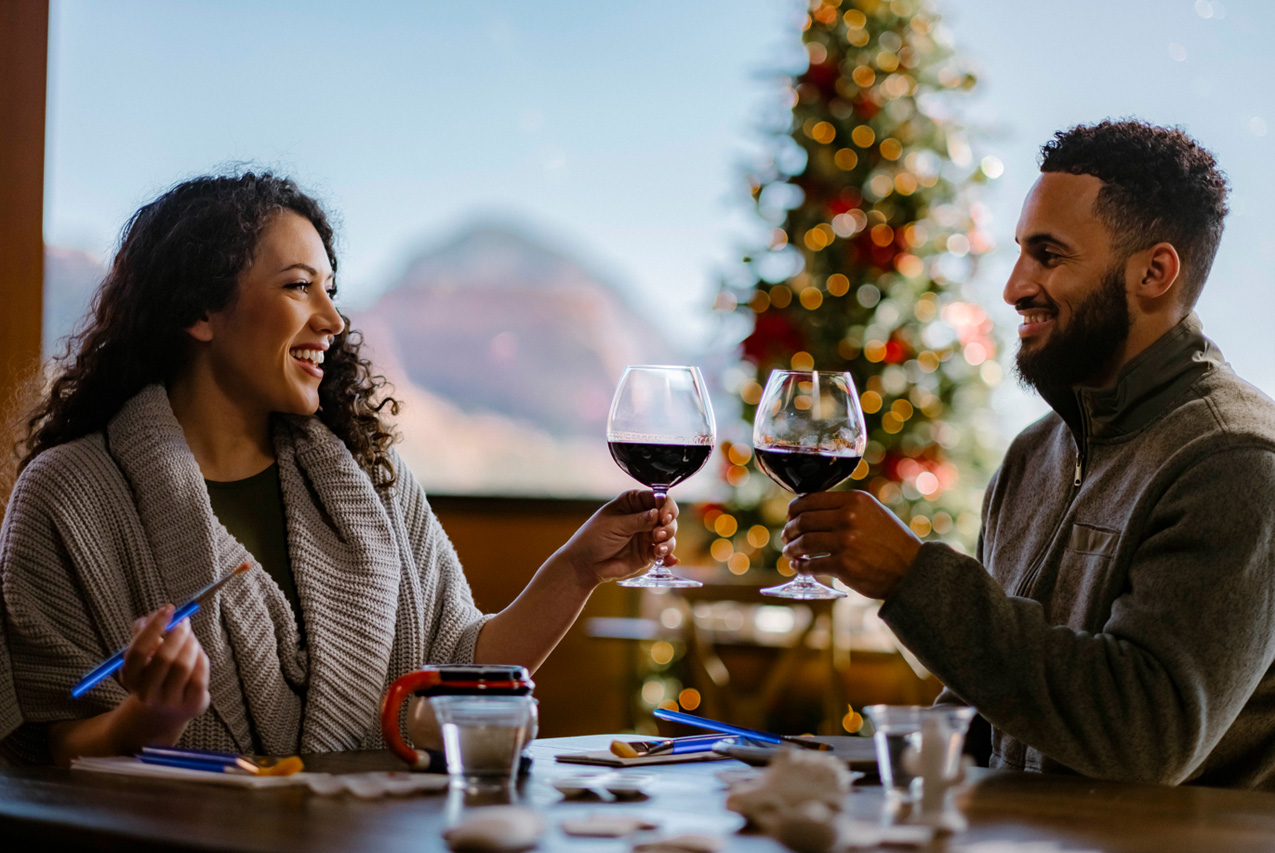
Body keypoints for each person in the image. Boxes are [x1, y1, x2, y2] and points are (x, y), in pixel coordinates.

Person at [0, 172, 679, 765]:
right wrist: (149, 717)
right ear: (197, 311)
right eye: (300, 287)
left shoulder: (371, 480)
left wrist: (577, 569)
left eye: (331, 290)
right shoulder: (69, 494)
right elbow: (47, 745)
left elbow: (462, 676)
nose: (332, 319)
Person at [782, 120, 1275, 789]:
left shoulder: (1235, 461)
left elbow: (1147, 735)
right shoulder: (1032, 454)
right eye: (1020, 252)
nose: (1014, 286)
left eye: (1048, 255)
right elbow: (995, 709)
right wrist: (843, 772)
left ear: (1154, 271)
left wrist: (912, 578)